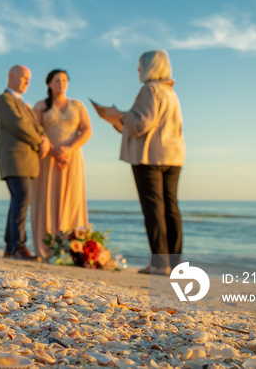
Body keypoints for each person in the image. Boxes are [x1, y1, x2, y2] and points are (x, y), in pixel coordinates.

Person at [97, 50, 185, 275]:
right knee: (171, 208)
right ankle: (175, 265)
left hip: (150, 156)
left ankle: (159, 264)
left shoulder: (150, 89)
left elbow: (143, 122)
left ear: (150, 66)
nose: (137, 69)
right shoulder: (170, 92)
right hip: (174, 156)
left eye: (140, 64)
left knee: (154, 209)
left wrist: (119, 115)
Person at [30, 69, 92, 260]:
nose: (61, 84)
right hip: (47, 159)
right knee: (47, 198)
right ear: (49, 84)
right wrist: (54, 150)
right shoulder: (41, 105)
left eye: (64, 80)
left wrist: (68, 149)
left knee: (72, 200)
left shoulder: (77, 105)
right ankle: (47, 247)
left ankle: (72, 248)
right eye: (57, 81)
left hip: (72, 159)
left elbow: (87, 130)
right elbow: (35, 130)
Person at [0, 65, 50, 261]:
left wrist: (43, 138)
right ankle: (18, 247)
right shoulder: (3, 100)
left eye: (29, 79)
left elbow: (35, 126)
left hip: (27, 161)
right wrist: (39, 140)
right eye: (24, 78)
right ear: (11, 77)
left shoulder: (25, 105)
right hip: (14, 158)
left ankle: (10, 247)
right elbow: (19, 126)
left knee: (19, 201)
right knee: (21, 199)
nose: (27, 82)